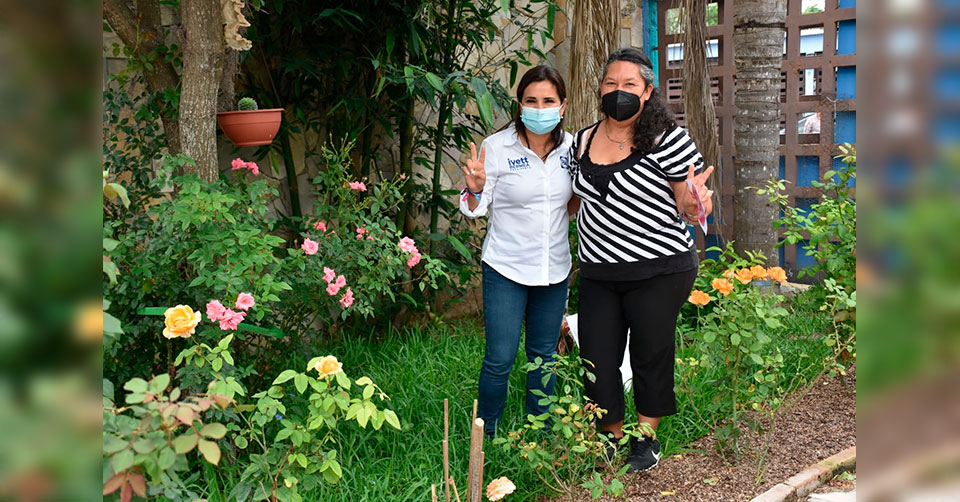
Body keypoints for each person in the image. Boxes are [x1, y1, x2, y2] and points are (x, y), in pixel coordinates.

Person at [568, 48, 714, 472]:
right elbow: (574, 201)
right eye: (611, 83)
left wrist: (696, 204)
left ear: (648, 91)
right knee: (597, 357)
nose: (620, 91)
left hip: (659, 269)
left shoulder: (668, 139)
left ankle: (645, 440)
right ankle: (611, 437)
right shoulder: (581, 140)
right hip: (598, 270)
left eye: (630, 84)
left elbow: (690, 202)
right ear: (600, 89)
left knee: (650, 353)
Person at [459, 65, 574, 438]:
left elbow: (574, 202)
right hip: (506, 267)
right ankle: (487, 435)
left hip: (553, 268)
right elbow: (476, 207)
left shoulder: (572, 148)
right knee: (500, 358)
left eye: (548, 101)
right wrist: (475, 188)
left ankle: (539, 433)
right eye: (531, 101)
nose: (539, 108)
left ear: (562, 106)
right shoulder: (496, 147)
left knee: (544, 357)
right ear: (519, 105)